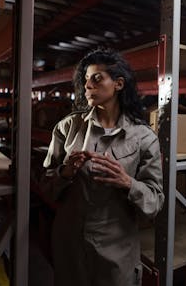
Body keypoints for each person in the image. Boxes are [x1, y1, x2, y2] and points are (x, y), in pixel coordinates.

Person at [43, 48, 164, 286]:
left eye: (97, 78)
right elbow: (45, 185)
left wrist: (128, 182)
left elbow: (155, 201)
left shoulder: (143, 138)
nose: (88, 85)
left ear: (118, 84)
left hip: (117, 250)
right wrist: (64, 173)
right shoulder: (67, 129)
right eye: (85, 79)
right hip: (70, 246)